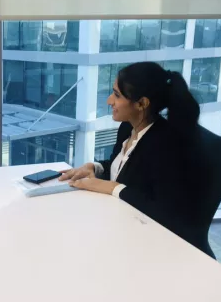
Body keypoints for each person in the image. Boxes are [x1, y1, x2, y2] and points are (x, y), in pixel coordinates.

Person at [59, 62, 212, 256]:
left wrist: (110, 187)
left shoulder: (167, 145)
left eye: (117, 95)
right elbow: (127, 169)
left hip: (154, 246)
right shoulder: (128, 127)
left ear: (142, 104)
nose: (108, 101)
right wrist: (95, 168)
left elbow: (165, 210)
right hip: (122, 226)